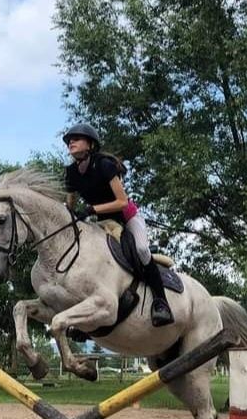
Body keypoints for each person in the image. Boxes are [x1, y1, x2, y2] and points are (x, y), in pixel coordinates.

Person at [62, 123, 173, 327]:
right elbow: (70, 205)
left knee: (140, 249)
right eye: (69, 140)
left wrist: (92, 210)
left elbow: (122, 201)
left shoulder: (104, 165)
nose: (71, 142)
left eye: (76, 139)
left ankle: (161, 303)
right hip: (104, 223)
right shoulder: (71, 172)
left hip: (127, 218)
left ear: (90, 144)